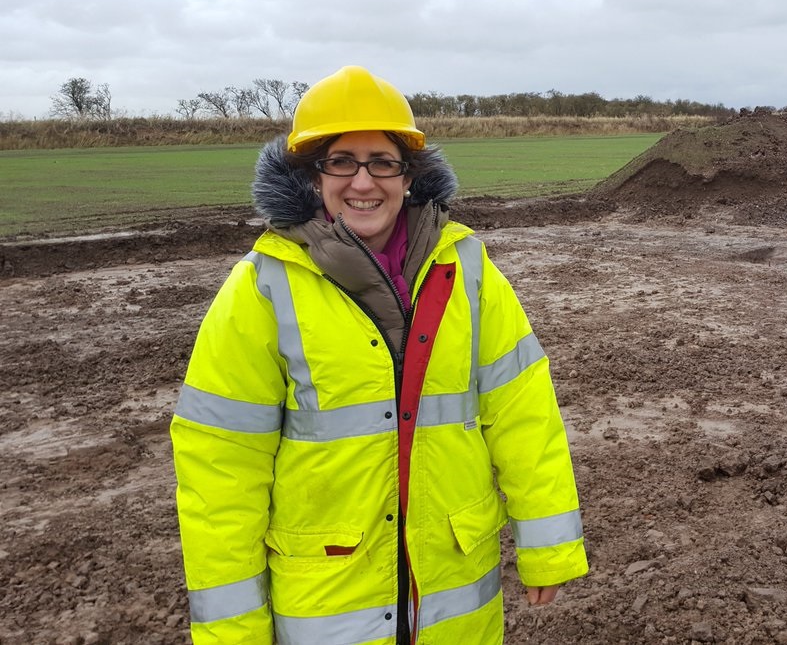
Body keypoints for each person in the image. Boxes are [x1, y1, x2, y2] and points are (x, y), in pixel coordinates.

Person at [170, 65, 588, 645]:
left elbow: (524, 411)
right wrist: (233, 630)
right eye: (341, 160)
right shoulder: (262, 287)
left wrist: (548, 542)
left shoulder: (464, 269)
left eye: (382, 161)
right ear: (311, 175)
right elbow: (220, 468)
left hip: (454, 592)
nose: (363, 181)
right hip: (329, 602)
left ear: (408, 175)